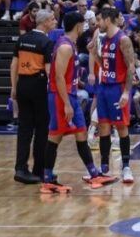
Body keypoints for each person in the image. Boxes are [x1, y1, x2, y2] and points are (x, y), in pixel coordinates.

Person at [41, 12, 117, 193]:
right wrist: (66, 104)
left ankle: (93, 173)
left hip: (70, 96)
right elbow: (58, 77)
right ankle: (47, 179)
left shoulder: (71, 44)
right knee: (55, 136)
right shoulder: (65, 47)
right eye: (83, 24)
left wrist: (92, 50)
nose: (84, 27)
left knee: (81, 131)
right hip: (61, 97)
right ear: (77, 26)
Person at [89, 6, 137, 184]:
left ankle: (126, 167)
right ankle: (104, 167)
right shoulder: (105, 39)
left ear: (107, 20)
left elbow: (131, 67)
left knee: (122, 127)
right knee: (103, 127)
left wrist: (126, 92)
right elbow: (105, 65)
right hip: (103, 87)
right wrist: (94, 53)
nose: (97, 23)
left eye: (100, 20)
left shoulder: (123, 40)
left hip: (118, 88)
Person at [9, 9, 55, 185]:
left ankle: (20, 169)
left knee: (24, 129)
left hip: (22, 85)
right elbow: (49, 71)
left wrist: (14, 87)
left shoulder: (22, 39)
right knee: (42, 129)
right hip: (39, 85)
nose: (54, 22)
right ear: (44, 22)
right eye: (52, 19)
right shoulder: (46, 42)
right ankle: (39, 170)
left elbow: (13, 65)